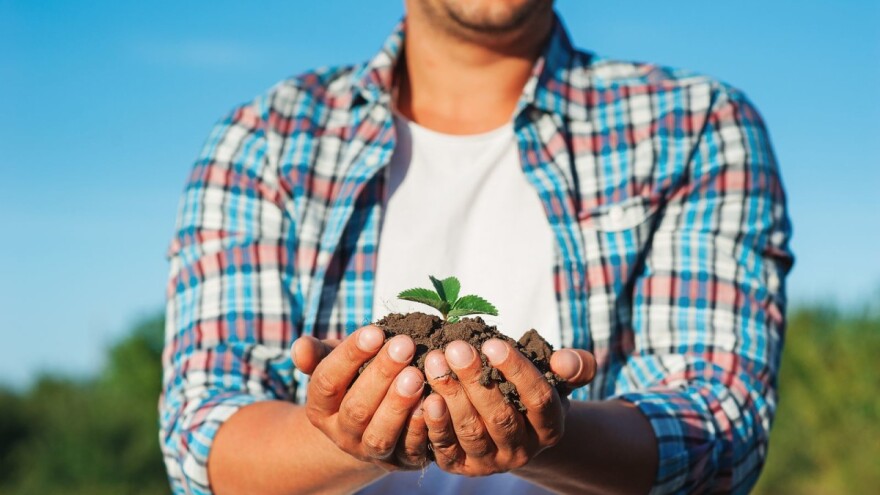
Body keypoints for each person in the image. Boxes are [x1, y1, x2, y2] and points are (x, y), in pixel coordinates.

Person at [159, 0, 794, 493]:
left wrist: (547, 428)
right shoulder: (266, 141)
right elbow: (204, 435)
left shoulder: (695, 124)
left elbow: (718, 425)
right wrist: (346, 432)